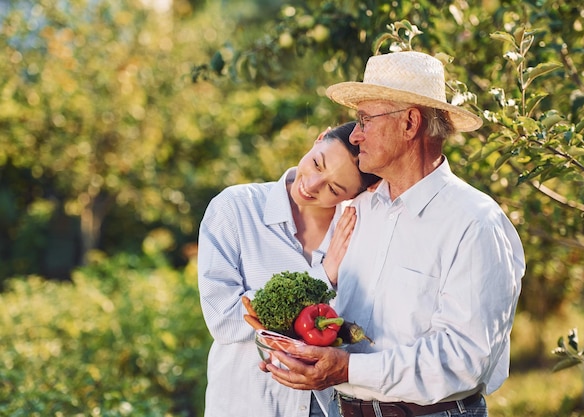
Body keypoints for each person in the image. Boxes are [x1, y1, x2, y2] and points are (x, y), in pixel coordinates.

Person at [262, 51, 526, 417]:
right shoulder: (358, 210)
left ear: (409, 124)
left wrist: (346, 368)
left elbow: (464, 358)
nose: (355, 135)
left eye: (365, 119)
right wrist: (300, 354)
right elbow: (336, 320)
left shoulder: (475, 223)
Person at [197, 121, 380, 417]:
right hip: (246, 405)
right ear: (320, 137)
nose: (311, 185)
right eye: (317, 163)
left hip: (326, 407)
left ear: (354, 194)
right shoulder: (235, 209)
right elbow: (224, 319)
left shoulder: (360, 231)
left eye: (334, 188)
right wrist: (323, 278)